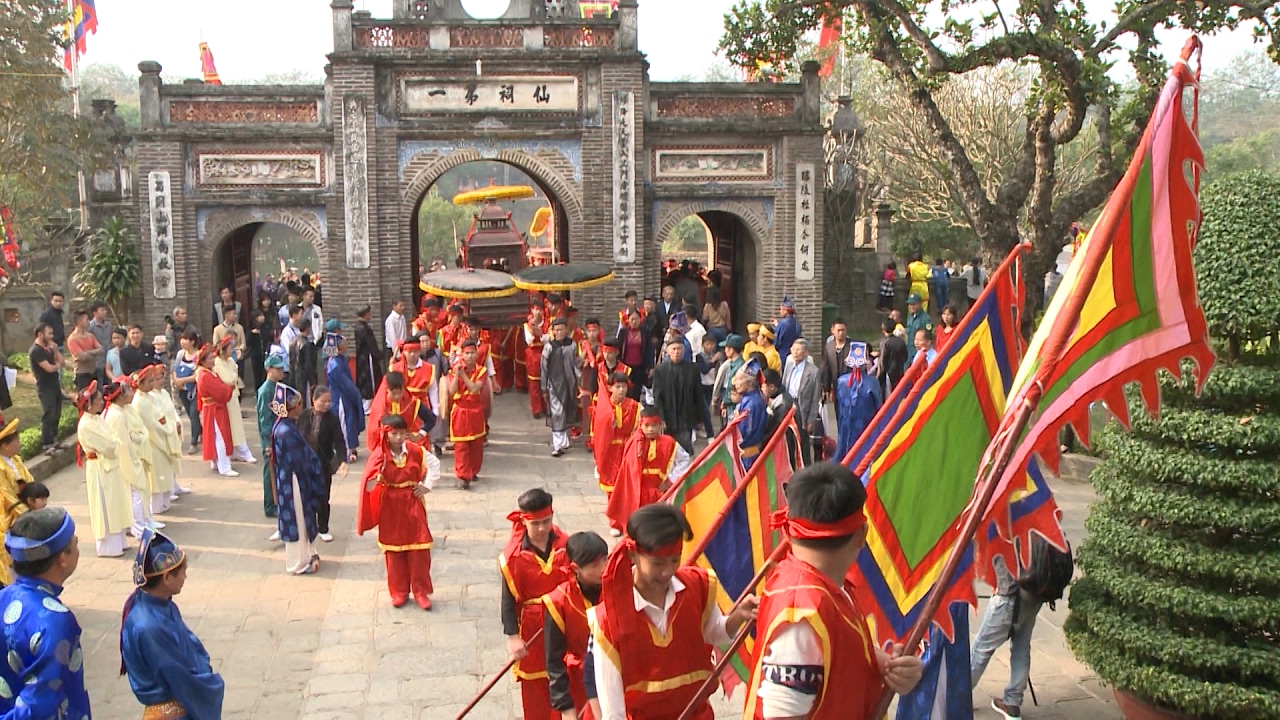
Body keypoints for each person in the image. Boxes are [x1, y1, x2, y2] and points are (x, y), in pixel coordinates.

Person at [745, 462, 923, 717]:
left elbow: (834, 653)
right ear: (862, 534)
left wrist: (886, 665)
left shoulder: (824, 586)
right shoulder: (801, 613)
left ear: (788, 532)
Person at [592, 503, 758, 720]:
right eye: (658, 563)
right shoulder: (609, 618)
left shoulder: (696, 586)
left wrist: (737, 618)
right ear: (633, 555)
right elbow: (613, 709)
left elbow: (712, 633)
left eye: (674, 560)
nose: (667, 571)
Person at [120, 529, 225, 720]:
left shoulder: (159, 603)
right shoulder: (148, 627)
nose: (185, 577)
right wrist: (210, 684)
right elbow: (177, 676)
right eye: (182, 572)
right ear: (167, 578)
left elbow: (188, 642)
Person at [0, 507, 91, 717]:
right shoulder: (56, 621)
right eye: (75, 544)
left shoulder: (4, 596)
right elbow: (38, 704)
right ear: (62, 559)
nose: (78, 547)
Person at [500, 488, 572, 720]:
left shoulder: (566, 545)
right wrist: (512, 636)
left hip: (564, 622)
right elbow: (508, 599)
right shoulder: (513, 556)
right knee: (536, 692)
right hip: (533, 627)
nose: (542, 529)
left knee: (567, 680)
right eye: (536, 524)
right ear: (524, 521)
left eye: (546, 521)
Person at [356, 414, 439, 609]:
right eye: (395, 434)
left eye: (402, 433)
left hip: (412, 503)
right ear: (386, 435)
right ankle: (399, 591)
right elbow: (368, 485)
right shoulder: (379, 457)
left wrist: (427, 485)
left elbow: (435, 464)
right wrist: (373, 480)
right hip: (391, 506)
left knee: (419, 549)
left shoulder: (415, 451)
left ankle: (421, 591)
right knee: (393, 552)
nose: (400, 437)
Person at [544, 531, 608, 720]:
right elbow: (554, 661)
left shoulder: (615, 588)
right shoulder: (558, 601)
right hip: (578, 685)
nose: (604, 569)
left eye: (605, 560)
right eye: (595, 565)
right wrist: (565, 707)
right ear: (575, 568)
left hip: (614, 677)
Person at [970, 556, 1042, 719]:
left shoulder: (1003, 529)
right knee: (1021, 648)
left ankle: (958, 698)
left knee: (981, 649)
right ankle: (1013, 702)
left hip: (1008, 596)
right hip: (1032, 595)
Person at [604, 406, 690, 535]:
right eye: (647, 425)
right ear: (640, 425)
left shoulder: (669, 442)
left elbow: (684, 459)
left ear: (661, 425)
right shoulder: (635, 443)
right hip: (638, 490)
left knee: (657, 523)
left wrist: (671, 479)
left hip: (658, 490)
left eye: (655, 425)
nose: (650, 429)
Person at [270, 382, 325, 574]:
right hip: (293, 481)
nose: (301, 408)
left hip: (290, 479)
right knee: (298, 521)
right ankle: (297, 564)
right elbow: (300, 460)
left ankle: (307, 555)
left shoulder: (285, 425)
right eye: (298, 404)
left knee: (301, 520)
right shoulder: (286, 432)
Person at [75, 382, 134, 556]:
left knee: (116, 501)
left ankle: (120, 540)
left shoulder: (97, 419)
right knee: (105, 504)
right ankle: (109, 545)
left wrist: (115, 443)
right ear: (89, 403)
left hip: (110, 465)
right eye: (99, 399)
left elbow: (113, 438)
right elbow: (109, 446)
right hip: (99, 468)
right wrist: (116, 444)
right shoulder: (86, 424)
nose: (103, 402)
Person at [104, 377, 159, 538]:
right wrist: (133, 461)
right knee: (135, 492)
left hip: (135, 455)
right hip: (127, 459)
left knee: (141, 492)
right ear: (121, 395)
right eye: (128, 390)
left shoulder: (123, 410)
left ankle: (145, 522)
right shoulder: (117, 415)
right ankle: (138, 527)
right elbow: (123, 444)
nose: (132, 392)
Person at [299, 387, 348, 543]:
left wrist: (342, 461)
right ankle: (307, 525)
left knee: (323, 496)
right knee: (305, 495)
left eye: (329, 401)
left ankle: (323, 528)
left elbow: (339, 442)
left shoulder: (332, 419)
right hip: (305, 463)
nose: (327, 404)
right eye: (323, 401)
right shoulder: (304, 415)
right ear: (314, 400)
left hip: (323, 463)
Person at [441, 339, 489, 489]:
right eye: (467, 353)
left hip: (475, 410)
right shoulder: (454, 370)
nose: (470, 356)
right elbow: (452, 391)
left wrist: (463, 375)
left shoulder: (482, 370)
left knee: (476, 445)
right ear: (462, 354)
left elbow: (475, 389)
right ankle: (462, 476)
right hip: (460, 411)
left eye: (472, 353)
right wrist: (457, 375)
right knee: (461, 446)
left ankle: (473, 471)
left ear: (477, 354)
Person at [133, 365, 178, 515]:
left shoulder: (149, 397)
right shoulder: (139, 402)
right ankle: (156, 507)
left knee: (164, 470)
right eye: (149, 381)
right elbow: (152, 423)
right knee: (157, 475)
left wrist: (169, 426)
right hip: (153, 441)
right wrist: (168, 429)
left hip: (161, 437)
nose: (152, 384)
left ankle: (166, 502)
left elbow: (161, 415)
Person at [195, 343, 238, 477]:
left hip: (212, 408)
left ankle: (216, 461)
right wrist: (228, 389)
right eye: (209, 358)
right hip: (214, 409)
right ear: (203, 361)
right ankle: (224, 466)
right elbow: (220, 390)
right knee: (220, 436)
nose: (212, 360)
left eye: (212, 357)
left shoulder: (207, 373)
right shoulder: (205, 376)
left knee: (214, 436)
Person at [650, 339, 701, 454]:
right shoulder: (660, 370)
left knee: (685, 451)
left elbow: (698, 394)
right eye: (673, 349)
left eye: (679, 349)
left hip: (686, 415)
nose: (676, 352)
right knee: (668, 450)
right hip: (668, 416)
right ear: (668, 351)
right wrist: (661, 417)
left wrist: (700, 417)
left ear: (683, 350)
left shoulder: (692, 369)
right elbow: (657, 396)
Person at [213, 335, 257, 464]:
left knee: (236, 424)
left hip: (233, 395)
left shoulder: (230, 361)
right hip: (224, 398)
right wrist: (233, 377)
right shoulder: (218, 362)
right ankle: (237, 450)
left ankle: (241, 450)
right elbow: (228, 379)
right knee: (230, 425)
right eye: (229, 348)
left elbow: (235, 376)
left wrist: (233, 377)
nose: (231, 351)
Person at [323, 326, 366, 458]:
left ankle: (350, 448)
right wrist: (356, 394)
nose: (346, 345)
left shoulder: (336, 360)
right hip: (341, 398)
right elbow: (345, 385)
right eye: (344, 343)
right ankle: (346, 450)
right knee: (345, 423)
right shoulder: (335, 365)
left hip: (342, 396)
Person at [541, 319, 581, 458]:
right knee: (557, 412)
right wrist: (544, 387)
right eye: (556, 330)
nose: (559, 332)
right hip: (554, 385)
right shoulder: (549, 347)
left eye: (561, 329)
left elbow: (576, 365)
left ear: (566, 330)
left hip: (570, 384)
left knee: (567, 411)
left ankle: (563, 442)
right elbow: (544, 368)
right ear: (553, 331)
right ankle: (557, 445)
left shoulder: (572, 345)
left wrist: (579, 382)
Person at [833, 347, 881, 462]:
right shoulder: (872, 382)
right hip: (865, 420)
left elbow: (838, 402)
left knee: (846, 445)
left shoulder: (841, 380)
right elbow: (878, 405)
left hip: (846, 420)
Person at [0, 412, 30, 585]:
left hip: (25, 510)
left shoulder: (16, 460)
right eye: (15, 441)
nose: (19, 444)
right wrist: (25, 512)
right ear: (4, 446)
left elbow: (29, 480)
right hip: (8, 517)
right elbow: (7, 495)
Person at [256, 353, 286, 519]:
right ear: (269, 370)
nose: (282, 371)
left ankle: (276, 501)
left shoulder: (277, 387)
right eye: (278, 368)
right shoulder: (266, 390)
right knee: (270, 472)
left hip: (278, 435)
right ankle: (269, 504)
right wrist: (267, 442)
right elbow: (264, 419)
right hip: (270, 438)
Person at [782, 339, 822, 464]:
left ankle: (806, 469)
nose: (795, 352)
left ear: (806, 353)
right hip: (788, 406)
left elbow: (815, 398)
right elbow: (783, 386)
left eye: (798, 350)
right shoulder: (788, 366)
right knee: (788, 441)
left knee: (803, 442)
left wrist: (811, 419)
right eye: (793, 349)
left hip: (802, 408)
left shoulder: (814, 372)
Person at [28, 322, 64, 454]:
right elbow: (49, 368)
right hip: (45, 387)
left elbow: (62, 361)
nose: (51, 336)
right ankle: (47, 444)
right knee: (48, 414)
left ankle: (54, 440)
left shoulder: (48, 348)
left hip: (54, 384)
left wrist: (55, 351)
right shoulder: (36, 351)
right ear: (40, 334)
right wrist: (57, 365)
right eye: (49, 333)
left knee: (56, 413)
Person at [734, 361, 769, 470]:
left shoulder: (752, 403)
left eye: (740, 379)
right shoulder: (748, 399)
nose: (736, 383)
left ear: (749, 383)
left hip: (747, 455)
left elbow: (745, 431)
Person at [173, 330, 202, 452]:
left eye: (185, 339)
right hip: (182, 390)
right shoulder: (180, 354)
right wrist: (176, 381)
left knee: (194, 413)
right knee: (191, 415)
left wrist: (182, 380)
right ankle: (200, 431)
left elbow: (198, 374)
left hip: (195, 390)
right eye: (181, 339)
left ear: (193, 341)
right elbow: (174, 369)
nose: (182, 342)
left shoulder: (199, 355)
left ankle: (193, 443)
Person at [711, 334, 746, 433]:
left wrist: (725, 401)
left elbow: (732, 387)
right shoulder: (733, 363)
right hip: (730, 402)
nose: (725, 350)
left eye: (726, 348)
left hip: (734, 404)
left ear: (731, 350)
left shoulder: (739, 365)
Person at [354, 305, 384, 414]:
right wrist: (379, 355)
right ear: (366, 314)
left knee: (364, 379)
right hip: (368, 358)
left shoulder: (357, 326)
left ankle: (365, 404)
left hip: (361, 357)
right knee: (369, 380)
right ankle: (367, 406)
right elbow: (371, 345)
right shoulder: (364, 328)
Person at [616, 310, 651, 401]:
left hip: (639, 366)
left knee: (637, 390)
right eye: (632, 319)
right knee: (626, 389)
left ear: (640, 320)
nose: (634, 322)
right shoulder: (623, 332)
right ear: (628, 320)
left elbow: (649, 349)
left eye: (636, 319)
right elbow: (618, 348)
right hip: (626, 365)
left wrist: (650, 367)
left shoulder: (645, 332)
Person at [66, 309, 104, 391]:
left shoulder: (90, 336)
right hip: (82, 374)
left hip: (94, 371)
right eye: (86, 319)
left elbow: (101, 350)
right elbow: (82, 357)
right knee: (84, 398)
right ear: (79, 321)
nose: (89, 321)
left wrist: (88, 352)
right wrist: (94, 353)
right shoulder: (72, 339)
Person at [524, 304, 550, 419]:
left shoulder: (547, 323)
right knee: (534, 384)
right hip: (533, 355)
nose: (537, 312)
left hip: (545, 353)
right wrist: (534, 331)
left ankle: (546, 407)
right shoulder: (527, 325)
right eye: (535, 309)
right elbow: (529, 340)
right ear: (532, 310)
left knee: (546, 382)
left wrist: (541, 334)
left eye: (540, 309)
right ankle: (536, 409)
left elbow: (548, 339)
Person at [693, 334, 720, 439]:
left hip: (711, 384)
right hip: (702, 385)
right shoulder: (700, 356)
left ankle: (698, 427)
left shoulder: (714, 355)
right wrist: (713, 361)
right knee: (705, 410)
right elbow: (704, 370)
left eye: (712, 344)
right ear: (703, 344)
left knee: (704, 408)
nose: (710, 346)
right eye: (707, 344)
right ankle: (710, 434)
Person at [876, 317, 909, 398]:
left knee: (889, 396)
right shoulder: (901, 341)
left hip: (888, 374)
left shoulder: (885, 342)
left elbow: (882, 361)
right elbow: (905, 356)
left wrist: (878, 376)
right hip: (900, 371)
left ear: (883, 329)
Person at [821, 319, 852, 399]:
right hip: (836, 385)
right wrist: (826, 388)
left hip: (850, 385)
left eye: (843, 330)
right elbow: (826, 368)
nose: (841, 333)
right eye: (838, 330)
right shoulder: (829, 347)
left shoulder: (853, 346)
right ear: (833, 331)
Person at [903, 294, 934, 365]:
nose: (911, 307)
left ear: (920, 304)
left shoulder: (926, 319)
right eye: (910, 304)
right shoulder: (910, 316)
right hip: (908, 350)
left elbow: (927, 336)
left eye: (914, 304)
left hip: (919, 350)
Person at [88, 302, 115, 377]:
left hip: (108, 357)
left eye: (105, 310)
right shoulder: (90, 326)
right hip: (97, 360)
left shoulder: (108, 325)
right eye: (102, 310)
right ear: (95, 313)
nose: (105, 312)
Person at [774, 297, 802, 363]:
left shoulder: (783, 324)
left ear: (785, 310)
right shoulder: (796, 322)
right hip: (793, 353)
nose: (780, 311)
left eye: (781, 309)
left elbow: (777, 341)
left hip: (782, 355)